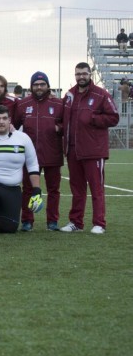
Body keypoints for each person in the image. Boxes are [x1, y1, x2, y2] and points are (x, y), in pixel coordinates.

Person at [60, 62, 119, 234]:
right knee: (76, 189)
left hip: (93, 150)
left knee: (96, 188)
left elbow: (114, 117)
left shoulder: (101, 95)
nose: (81, 77)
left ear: (90, 74)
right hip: (73, 150)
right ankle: (76, 222)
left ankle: (99, 223)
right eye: (78, 74)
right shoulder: (70, 95)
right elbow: (62, 118)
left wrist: (93, 118)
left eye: (84, 74)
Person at [0, 105, 44, 234]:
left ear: (10, 120)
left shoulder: (23, 138)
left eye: (4, 118)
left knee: (8, 228)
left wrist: (37, 190)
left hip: (11, 186)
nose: (1, 121)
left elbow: (32, 165)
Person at [13, 71, 64, 231]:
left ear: (48, 86)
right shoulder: (22, 104)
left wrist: (58, 127)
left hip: (52, 153)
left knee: (53, 189)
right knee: (27, 189)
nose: (39, 87)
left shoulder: (58, 104)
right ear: (31, 86)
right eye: (36, 84)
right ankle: (27, 221)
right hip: (29, 156)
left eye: (42, 84)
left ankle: (52, 221)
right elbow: (12, 125)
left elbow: (66, 125)